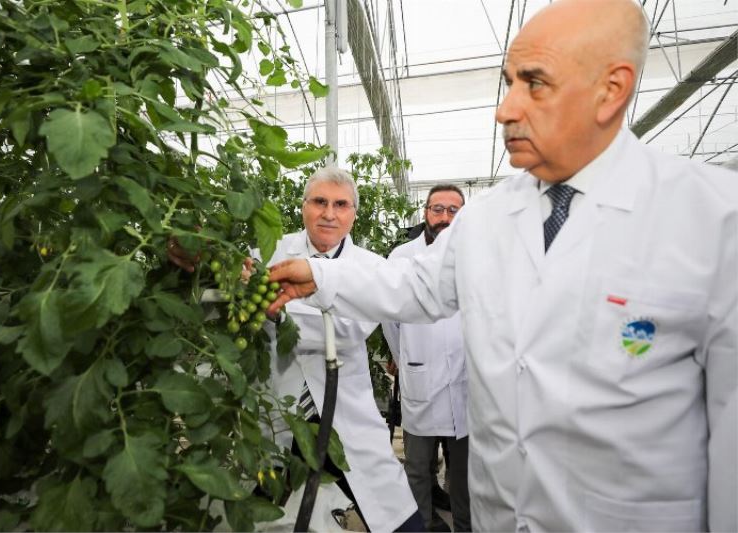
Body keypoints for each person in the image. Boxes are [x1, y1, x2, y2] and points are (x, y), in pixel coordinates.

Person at [266, 1, 738, 531]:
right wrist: (319, 274)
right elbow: (414, 284)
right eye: (509, 83)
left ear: (611, 90)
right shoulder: (486, 218)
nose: (505, 109)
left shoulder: (713, 221)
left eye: (534, 84)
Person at [171, 167, 422, 532]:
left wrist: (268, 302)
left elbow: (344, 331)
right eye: (319, 202)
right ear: (303, 207)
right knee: (262, 506)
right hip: (276, 414)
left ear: (353, 213)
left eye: (341, 204)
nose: (329, 213)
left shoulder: (371, 269)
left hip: (343, 416)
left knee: (395, 514)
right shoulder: (268, 252)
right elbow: (217, 299)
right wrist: (198, 259)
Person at [382, 184, 471, 532]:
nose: (445, 217)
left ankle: (465, 526)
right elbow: (389, 319)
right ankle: (422, 524)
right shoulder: (402, 257)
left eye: (453, 210)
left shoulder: (477, 255)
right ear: (425, 213)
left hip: (465, 381)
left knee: (463, 471)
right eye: (438, 209)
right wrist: (405, 359)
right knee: (417, 467)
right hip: (420, 377)